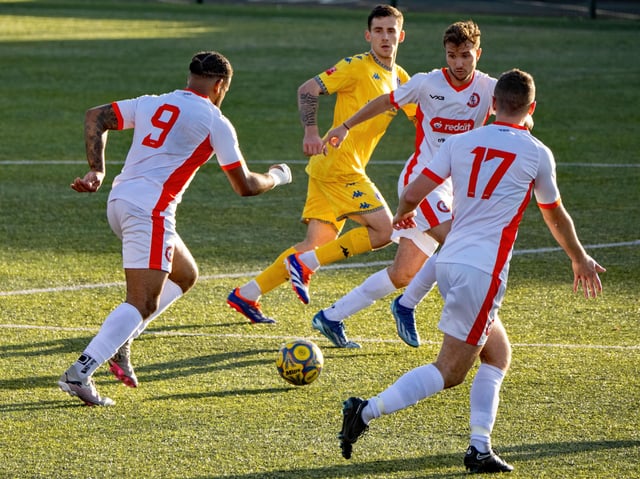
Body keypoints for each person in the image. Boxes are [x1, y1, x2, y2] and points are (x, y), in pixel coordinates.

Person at [337, 69, 605, 473]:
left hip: (448, 263)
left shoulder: (462, 142)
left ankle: (479, 446)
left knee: (497, 354)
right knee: (450, 371)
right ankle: (366, 411)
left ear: (493, 104)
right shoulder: (536, 152)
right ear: (531, 108)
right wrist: (579, 257)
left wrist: (404, 217)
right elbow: (555, 215)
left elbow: (411, 193)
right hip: (483, 271)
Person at [58, 51, 292, 406]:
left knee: (184, 274)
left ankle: (122, 341)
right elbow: (244, 185)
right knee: (141, 301)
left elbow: (97, 117)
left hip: (120, 202)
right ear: (220, 85)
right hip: (149, 212)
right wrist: (276, 177)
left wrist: (97, 169)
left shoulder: (154, 102)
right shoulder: (216, 121)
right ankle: (80, 372)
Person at [227, 5, 415, 332]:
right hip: (339, 166)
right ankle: (302, 267)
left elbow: (423, 118)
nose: (385, 37)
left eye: (391, 31)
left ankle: (246, 295)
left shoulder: (400, 78)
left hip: (329, 167)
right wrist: (311, 132)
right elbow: (308, 89)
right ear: (368, 35)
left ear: (401, 36)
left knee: (315, 244)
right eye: (379, 31)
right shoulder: (356, 66)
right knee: (384, 231)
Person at [317, 20, 498, 348]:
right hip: (422, 183)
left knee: (403, 274)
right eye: (452, 55)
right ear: (445, 53)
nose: (458, 63)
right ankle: (407, 305)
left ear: (478, 54)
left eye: (466, 56)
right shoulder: (426, 83)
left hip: (455, 189)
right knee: (459, 244)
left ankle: (331, 316)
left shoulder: (488, 90)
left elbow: (515, 112)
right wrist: (344, 125)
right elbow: (385, 101)